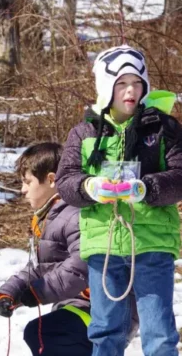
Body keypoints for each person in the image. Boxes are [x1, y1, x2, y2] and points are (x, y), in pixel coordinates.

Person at [56, 45, 182, 355]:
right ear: (105, 87)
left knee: (159, 333)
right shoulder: (84, 132)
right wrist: (91, 187)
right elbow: (65, 181)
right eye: (122, 83)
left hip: (152, 242)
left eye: (137, 83)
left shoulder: (164, 128)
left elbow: (181, 176)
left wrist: (146, 188)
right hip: (105, 245)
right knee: (106, 331)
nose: (131, 91)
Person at [0, 142, 139, 355]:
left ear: (51, 180)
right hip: (79, 306)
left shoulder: (74, 214)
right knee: (43, 334)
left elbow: (81, 265)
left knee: (45, 333)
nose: (22, 190)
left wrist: (38, 291)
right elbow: (41, 267)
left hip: (102, 309)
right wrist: (10, 292)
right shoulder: (52, 217)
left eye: (27, 182)